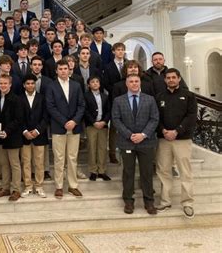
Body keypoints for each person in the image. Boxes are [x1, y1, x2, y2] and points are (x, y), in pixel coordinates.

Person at [112, 74, 159, 215]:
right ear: (126, 84)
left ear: (140, 83)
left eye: (136, 81)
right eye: (131, 81)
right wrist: (129, 135)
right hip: (127, 142)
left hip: (146, 142)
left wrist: (143, 135)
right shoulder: (118, 101)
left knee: (147, 172)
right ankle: (128, 201)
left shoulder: (150, 99)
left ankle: (149, 202)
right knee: (128, 172)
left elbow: (154, 119)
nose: (134, 84)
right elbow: (116, 120)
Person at [156, 68, 197, 218]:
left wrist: (177, 131)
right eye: (168, 78)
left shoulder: (189, 96)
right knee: (164, 171)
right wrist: (164, 130)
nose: (171, 80)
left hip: (182, 139)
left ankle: (187, 203)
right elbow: (156, 117)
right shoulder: (159, 96)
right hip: (164, 139)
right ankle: (165, 201)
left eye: (174, 77)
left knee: (185, 172)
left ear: (179, 79)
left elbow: (192, 116)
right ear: (165, 80)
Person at [46, 60, 85, 199]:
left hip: (75, 127)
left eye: (65, 68)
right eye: (60, 69)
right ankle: (59, 186)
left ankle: (73, 186)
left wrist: (74, 121)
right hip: (59, 127)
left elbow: (81, 105)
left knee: (73, 158)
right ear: (56, 71)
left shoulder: (76, 85)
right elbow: (50, 107)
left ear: (69, 70)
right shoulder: (51, 86)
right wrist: (64, 122)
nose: (63, 71)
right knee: (59, 158)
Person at [0, 74, 23, 201]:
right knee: (3, 164)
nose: (3, 86)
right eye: (1, 83)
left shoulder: (16, 99)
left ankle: (16, 189)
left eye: (5, 83)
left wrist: (7, 131)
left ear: (10, 84)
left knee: (14, 164)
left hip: (12, 137)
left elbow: (18, 119)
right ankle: (5, 188)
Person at [20, 74, 49, 198]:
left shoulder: (42, 98)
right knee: (26, 162)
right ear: (24, 85)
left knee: (39, 163)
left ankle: (39, 186)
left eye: (32, 83)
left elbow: (45, 117)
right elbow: (18, 118)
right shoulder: (19, 98)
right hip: (25, 136)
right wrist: (25, 131)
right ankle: (27, 186)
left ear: (35, 84)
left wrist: (37, 131)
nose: (30, 85)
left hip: (39, 136)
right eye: (28, 83)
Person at [102, 42, 127, 164]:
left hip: (129, 98)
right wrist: (118, 91)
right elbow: (106, 83)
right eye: (118, 50)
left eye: (122, 50)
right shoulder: (108, 66)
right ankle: (112, 152)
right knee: (114, 127)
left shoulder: (129, 64)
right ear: (113, 52)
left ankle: (126, 149)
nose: (120, 52)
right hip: (114, 98)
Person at [84, 76, 111, 181]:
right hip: (92, 125)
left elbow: (109, 110)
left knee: (102, 148)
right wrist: (93, 122)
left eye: (97, 82)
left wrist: (104, 121)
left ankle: (102, 170)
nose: (95, 83)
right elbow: (85, 111)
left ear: (99, 84)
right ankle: (93, 171)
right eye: (92, 82)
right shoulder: (86, 96)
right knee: (92, 148)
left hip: (103, 125)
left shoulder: (105, 96)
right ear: (89, 85)